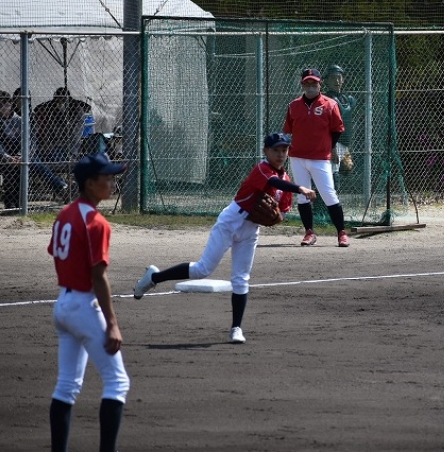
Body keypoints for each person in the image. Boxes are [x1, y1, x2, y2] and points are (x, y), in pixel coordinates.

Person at [133, 132, 317, 344]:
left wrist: (275, 218)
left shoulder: (286, 181)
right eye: (276, 150)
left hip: (251, 230)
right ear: (266, 151)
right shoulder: (262, 169)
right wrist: (300, 188)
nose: (280, 154)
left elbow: (282, 211)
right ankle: (154, 278)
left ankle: (236, 328)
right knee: (202, 269)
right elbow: (274, 181)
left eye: (284, 149)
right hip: (231, 221)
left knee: (241, 278)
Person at [47, 151, 130, 452]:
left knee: (67, 386)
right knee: (117, 382)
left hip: (63, 304)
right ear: (90, 184)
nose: (112, 182)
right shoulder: (96, 222)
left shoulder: (65, 214)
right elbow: (98, 276)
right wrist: (112, 324)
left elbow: (56, 253)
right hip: (84, 306)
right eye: (107, 177)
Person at [282, 68, 350, 247]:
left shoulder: (330, 104)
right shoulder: (293, 106)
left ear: (320, 84)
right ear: (302, 85)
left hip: (320, 158)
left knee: (328, 194)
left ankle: (341, 233)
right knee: (303, 196)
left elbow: (337, 130)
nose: (311, 86)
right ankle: (309, 232)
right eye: (307, 82)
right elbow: (288, 131)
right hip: (297, 157)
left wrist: (330, 147)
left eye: (314, 82)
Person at [0, 90, 68, 210]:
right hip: (4, 156)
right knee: (11, 168)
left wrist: (22, 155)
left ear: (10, 104)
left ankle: (61, 188)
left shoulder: (20, 120)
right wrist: (7, 157)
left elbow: (30, 140)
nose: (2, 108)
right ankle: (12, 203)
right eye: (0, 105)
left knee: (34, 162)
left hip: (22, 154)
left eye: (4, 105)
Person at [33, 87, 92, 164]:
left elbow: (74, 135)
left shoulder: (77, 110)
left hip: (69, 145)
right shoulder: (53, 109)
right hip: (54, 144)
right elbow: (38, 108)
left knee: (56, 157)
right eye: (57, 101)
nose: (59, 104)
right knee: (42, 155)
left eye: (62, 101)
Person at [324, 64, 357, 183]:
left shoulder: (347, 99)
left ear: (343, 79)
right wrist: (332, 148)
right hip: (333, 143)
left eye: (339, 77)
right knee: (333, 177)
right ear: (326, 81)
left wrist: (348, 148)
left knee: (345, 170)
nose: (336, 81)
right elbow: (326, 127)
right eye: (333, 78)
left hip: (344, 144)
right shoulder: (326, 99)